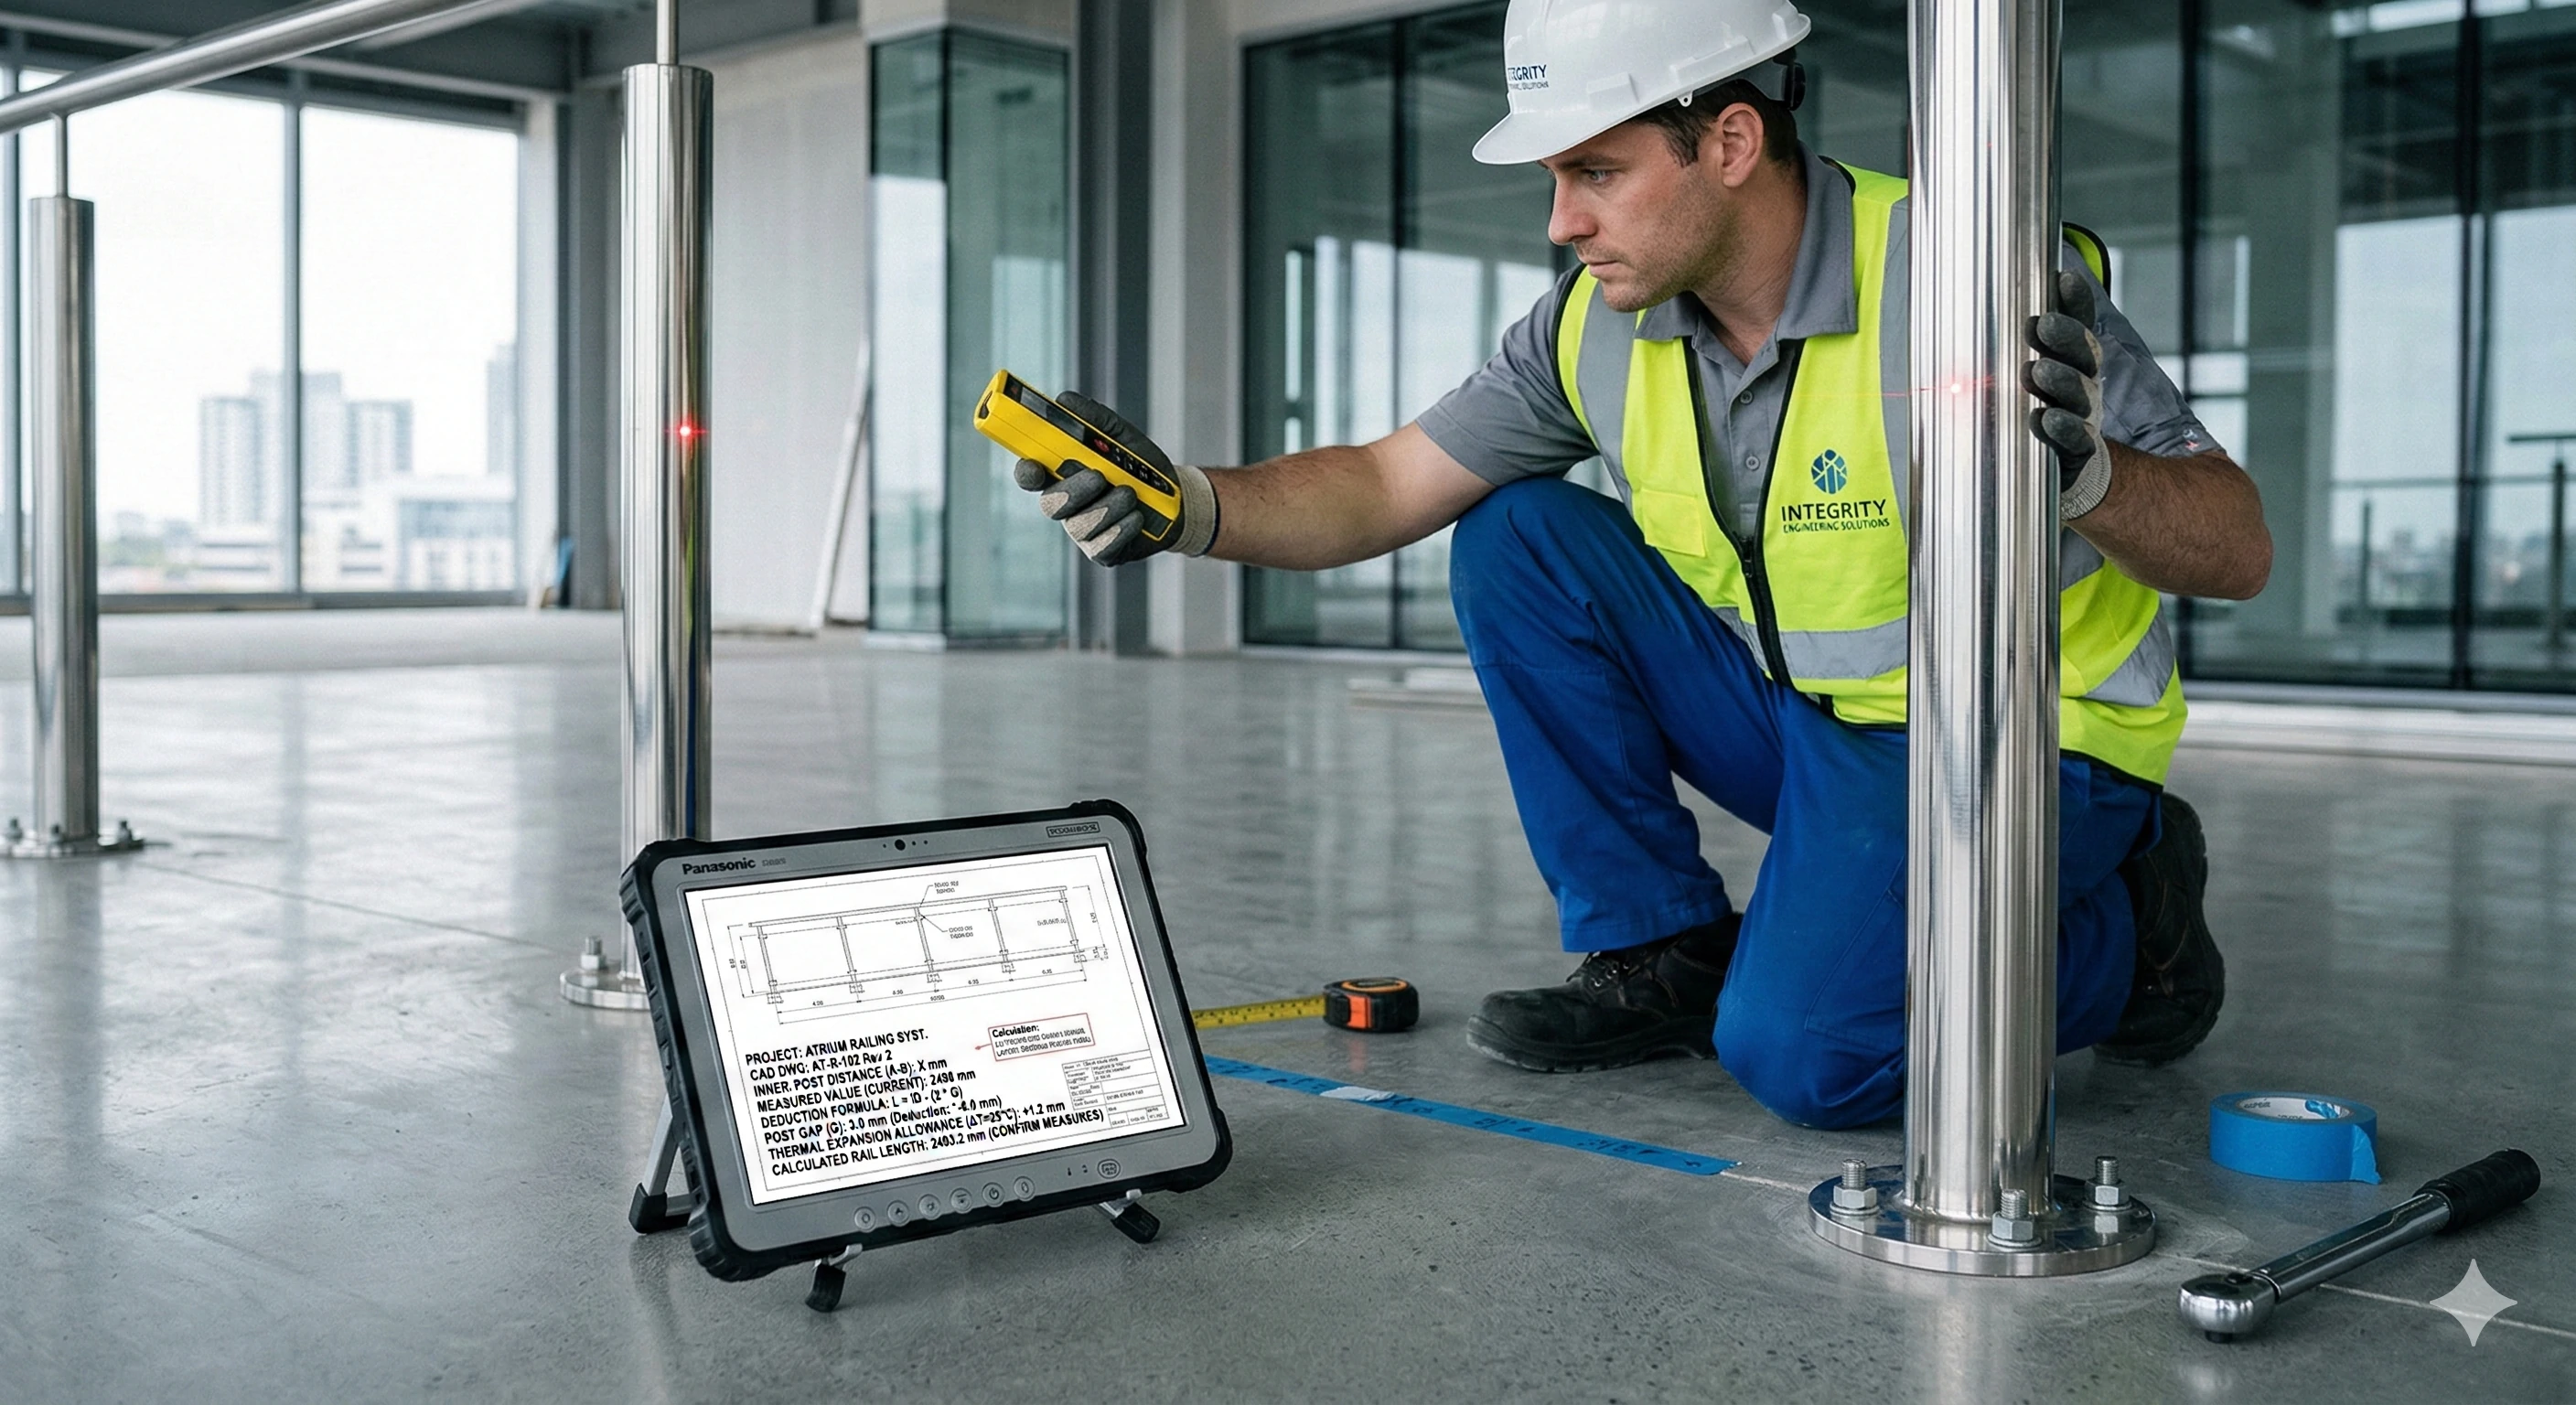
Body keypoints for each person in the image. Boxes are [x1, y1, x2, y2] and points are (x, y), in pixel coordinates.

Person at [1009, 0, 2271, 1129]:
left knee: (1806, 1060)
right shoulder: (1587, 329)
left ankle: (2137, 934)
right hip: (1810, 720)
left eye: (1596, 172)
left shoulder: (1971, 274)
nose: (1564, 222)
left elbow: (2240, 547)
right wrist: (1191, 504)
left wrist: (2088, 474)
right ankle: (1663, 949)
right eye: (1558, 178)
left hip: (2016, 747)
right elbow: (1391, 482)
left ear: (1727, 143)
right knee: (1520, 536)